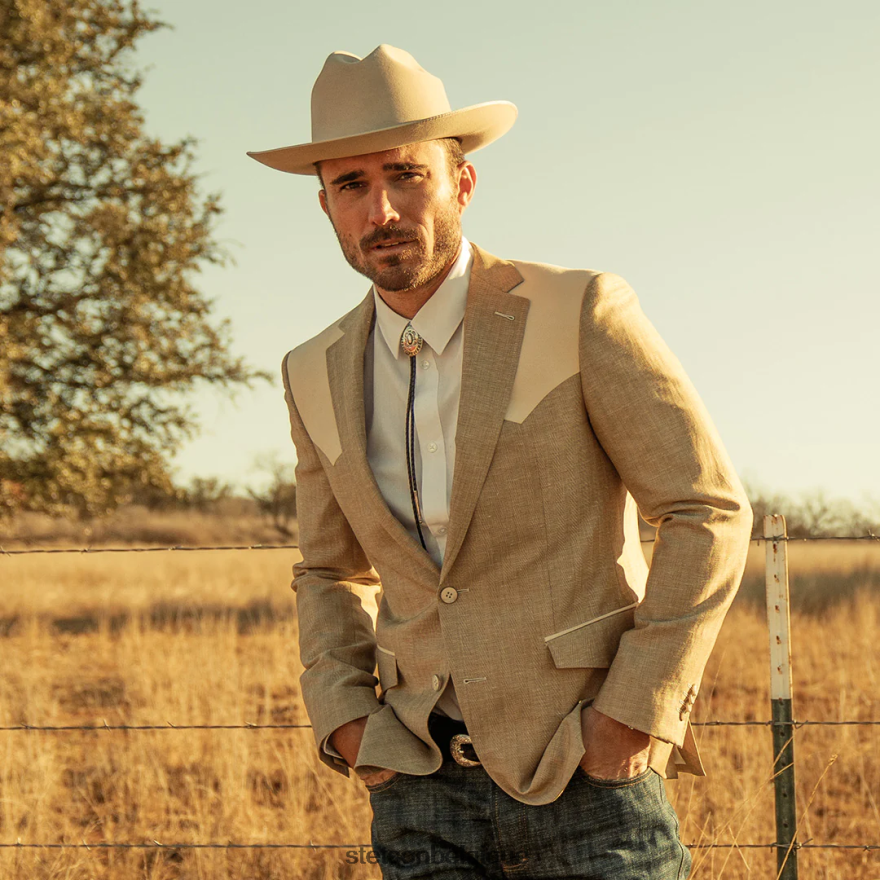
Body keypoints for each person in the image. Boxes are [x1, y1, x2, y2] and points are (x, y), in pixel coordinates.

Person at [249, 44, 752, 880]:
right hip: (418, 787)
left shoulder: (578, 310)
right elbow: (330, 569)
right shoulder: (311, 369)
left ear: (463, 182)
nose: (381, 210)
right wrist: (344, 718)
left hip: (586, 772)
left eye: (406, 175)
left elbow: (707, 509)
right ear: (326, 205)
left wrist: (636, 712)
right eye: (352, 185)